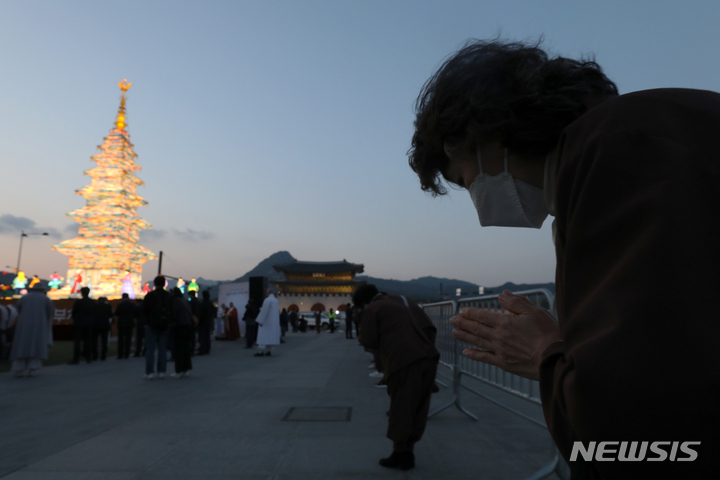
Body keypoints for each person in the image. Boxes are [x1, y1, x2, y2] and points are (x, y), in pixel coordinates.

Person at [409, 39, 720, 478]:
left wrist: (545, 352)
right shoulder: (654, 129)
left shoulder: (617, 153)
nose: (477, 200)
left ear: (483, 136)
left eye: (465, 179)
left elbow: (633, 427)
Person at [355, 284, 439, 470]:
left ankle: (400, 453)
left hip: (403, 361)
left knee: (401, 407)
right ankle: (408, 451)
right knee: (418, 408)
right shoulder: (404, 301)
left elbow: (367, 340)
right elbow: (430, 327)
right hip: (429, 357)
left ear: (363, 302)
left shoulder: (374, 308)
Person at [9, 285, 54, 377]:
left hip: (24, 325)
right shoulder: (45, 299)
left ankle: (18, 368)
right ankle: (33, 368)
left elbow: (19, 310)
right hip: (39, 325)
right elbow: (50, 312)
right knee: (37, 345)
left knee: (22, 345)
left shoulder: (24, 298)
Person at [141, 275, 172, 380]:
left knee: (150, 349)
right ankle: (161, 371)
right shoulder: (168, 296)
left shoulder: (150, 296)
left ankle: (149, 372)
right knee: (162, 348)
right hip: (164, 325)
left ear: (154, 284)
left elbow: (144, 310)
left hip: (151, 325)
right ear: (164, 284)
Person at [170, 287, 193, 378]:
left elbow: (174, 314)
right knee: (186, 348)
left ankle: (178, 370)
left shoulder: (175, 301)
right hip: (188, 325)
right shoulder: (184, 301)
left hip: (179, 326)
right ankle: (186, 369)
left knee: (178, 349)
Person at [69, 287, 95, 364]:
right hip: (89, 323)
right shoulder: (93, 302)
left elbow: (74, 312)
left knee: (77, 342)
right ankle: (88, 358)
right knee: (88, 341)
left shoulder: (78, 302)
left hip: (79, 323)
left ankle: (76, 359)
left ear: (81, 293)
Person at [254, 289, 280, 357]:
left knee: (263, 336)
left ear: (268, 293)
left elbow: (264, 311)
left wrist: (260, 320)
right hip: (273, 323)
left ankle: (261, 351)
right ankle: (269, 351)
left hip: (266, 322)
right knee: (270, 337)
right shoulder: (276, 300)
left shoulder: (267, 300)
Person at [114, 293, 137, 359]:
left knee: (121, 340)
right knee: (128, 339)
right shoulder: (132, 305)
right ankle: (127, 354)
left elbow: (116, 313)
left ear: (122, 297)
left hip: (121, 324)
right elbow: (135, 314)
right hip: (130, 323)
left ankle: (120, 354)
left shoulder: (120, 305)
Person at [92, 297, 112, 361]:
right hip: (105, 325)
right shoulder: (108, 306)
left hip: (96, 325)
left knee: (95, 341)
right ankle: (103, 355)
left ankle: (95, 355)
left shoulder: (94, 306)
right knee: (104, 341)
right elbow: (110, 315)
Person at [197, 290, 215, 355]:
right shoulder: (210, 303)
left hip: (203, 322)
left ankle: (203, 350)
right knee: (207, 336)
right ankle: (207, 349)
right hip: (208, 321)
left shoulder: (202, 303)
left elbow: (200, 314)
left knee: (202, 337)